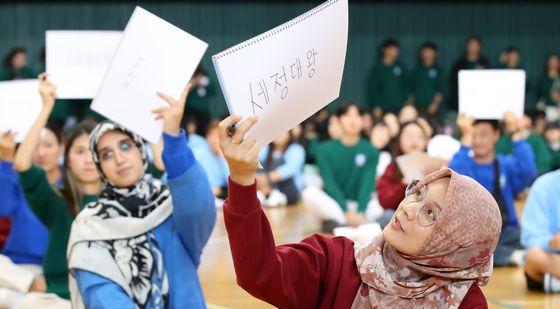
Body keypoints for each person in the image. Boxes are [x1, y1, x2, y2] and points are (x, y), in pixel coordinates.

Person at [218, 114, 501, 308]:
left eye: (430, 214)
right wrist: (243, 179)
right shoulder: (338, 261)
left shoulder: (464, 301)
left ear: (454, 243)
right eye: (417, 193)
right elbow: (260, 273)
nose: (409, 209)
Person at [67, 83, 216, 308]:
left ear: (140, 150)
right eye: (106, 154)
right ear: (99, 166)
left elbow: (199, 210)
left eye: (125, 146)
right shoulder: (89, 226)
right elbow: (101, 296)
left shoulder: (168, 204)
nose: (119, 158)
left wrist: (173, 138)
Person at [13, 74, 102, 300]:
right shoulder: (58, 202)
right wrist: (46, 107)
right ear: (67, 158)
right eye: (80, 151)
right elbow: (22, 163)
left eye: (97, 152)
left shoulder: (123, 201)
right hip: (56, 298)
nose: (89, 160)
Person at [449, 114, 537, 266]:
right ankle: (511, 256)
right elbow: (454, 182)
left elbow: (528, 172)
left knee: (529, 238)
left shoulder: (505, 164)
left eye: (483, 135)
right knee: (462, 249)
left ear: (496, 135)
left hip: (508, 232)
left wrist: (516, 133)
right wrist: (465, 141)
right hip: (474, 236)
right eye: (473, 135)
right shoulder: (464, 164)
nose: (477, 141)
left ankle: (505, 256)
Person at [302, 103, 380, 230]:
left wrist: (361, 211)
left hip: (360, 205)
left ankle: (342, 223)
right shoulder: (324, 149)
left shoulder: (370, 150)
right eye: (348, 115)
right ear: (338, 120)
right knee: (308, 193)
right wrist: (345, 211)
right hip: (336, 205)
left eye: (357, 115)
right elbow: (329, 183)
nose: (353, 120)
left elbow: (367, 183)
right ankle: (348, 222)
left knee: (379, 208)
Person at [377, 121, 429, 219]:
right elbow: (384, 202)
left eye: (419, 136)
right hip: (401, 215)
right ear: (399, 141)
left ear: (426, 141)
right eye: (408, 136)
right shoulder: (393, 168)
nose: (414, 140)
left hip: (424, 216)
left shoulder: (433, 166)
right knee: (387, 216)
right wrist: (403, 184)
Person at [521, 170, 560, 293]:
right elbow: (530, 239)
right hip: (553, 259)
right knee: (534, 256)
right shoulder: (543, 185)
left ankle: (554, 283)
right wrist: (551, 242)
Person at [257, 130, 305, 207]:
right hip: (266, 184)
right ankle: (265, 194)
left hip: (288, 187)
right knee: (258, 166)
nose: (278, 135)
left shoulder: (296, 149)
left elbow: (290, 169)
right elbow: (256, 163)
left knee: (286, 175)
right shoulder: (265, 148)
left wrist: (266, 178)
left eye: (282, 131)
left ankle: (272, 195)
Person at [191, 120, 230, 207]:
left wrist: (222, 155)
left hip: (221, 195)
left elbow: (231, 180)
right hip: (200, 194)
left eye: (218, 136)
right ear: (207, 137)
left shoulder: (228, 155)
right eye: (211, 135)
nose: (214, 139)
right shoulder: (197, 153)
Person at [366, 39, 408, 116]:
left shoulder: (401, 67)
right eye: (392, 49)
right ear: (384, 50)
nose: (395, 52)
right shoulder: (377, 68)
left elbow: (406, 86)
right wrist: (376, 106)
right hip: (383, 108)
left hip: (400, 107)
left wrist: (406, 102)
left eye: (396, 49)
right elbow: (373, 89)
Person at [448, 36, 490, 114]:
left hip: (481, 102)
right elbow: (454, 84)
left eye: (476, 45)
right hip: (462, 102)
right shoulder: (459, 64)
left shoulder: (484, 63)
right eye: (471, 44)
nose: (473, 47)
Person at [409, 42, 445, 117]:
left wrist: (435, 104)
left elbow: (441, 90)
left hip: (434, 109)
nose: (427, 54)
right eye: (425, 51)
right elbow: (411, 91)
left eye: (430, 51)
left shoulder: (439, 71)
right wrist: (411, 107)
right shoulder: (416, 71)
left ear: (435, 53)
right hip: (417, 108)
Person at [181, 64, 216, 136]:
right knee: (190, 132)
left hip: (203, 113)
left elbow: (213, 91)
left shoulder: (204, 77)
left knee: (204, 132)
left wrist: (203, 83)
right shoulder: (186, 77)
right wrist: (192, 84)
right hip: (189, 113)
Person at [537, 54, 560, 121]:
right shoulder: (543, 79)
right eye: (551, 62)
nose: (553, 65)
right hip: (546, 110)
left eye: (556, 62)